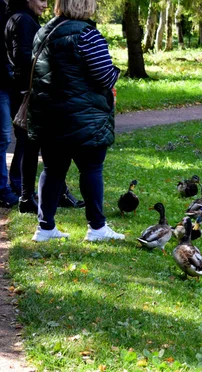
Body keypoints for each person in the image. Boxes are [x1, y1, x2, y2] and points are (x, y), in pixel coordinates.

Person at [28, 0, 124, 242]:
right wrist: (116, 73)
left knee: (52, 170)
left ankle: (45, 228)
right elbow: (104, 75)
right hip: (84, 117)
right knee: (91, 168)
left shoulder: (44, 31)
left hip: (50, 117)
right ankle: (97, 228)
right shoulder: (87, 34)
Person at [4, 0, 83, 214]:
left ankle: (42, 195)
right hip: (30, 92)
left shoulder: (19, 18)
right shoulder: (23, 20)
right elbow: (23, 57)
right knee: (38, 146)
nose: (46, 5)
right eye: (41, 0)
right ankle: (33, 196)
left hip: (25, 91)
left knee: (31, 146)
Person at [0, 0, 18, 208]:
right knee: (3, 137)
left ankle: (11, 185)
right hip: (3, 83)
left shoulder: (13, 9)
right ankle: (2, 189)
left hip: (10, 82)